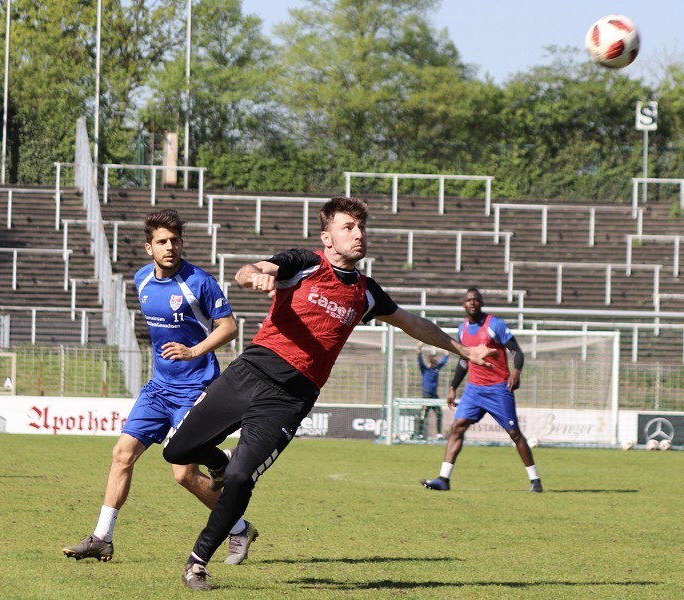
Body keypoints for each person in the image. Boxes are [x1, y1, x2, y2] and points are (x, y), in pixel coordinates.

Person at [163, 197, 496, 590]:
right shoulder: (304, 262)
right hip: (249, 373)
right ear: (328, 236)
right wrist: (255, 277)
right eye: (348, 227)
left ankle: (197, 563)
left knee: (240, 479)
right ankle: (217, 461)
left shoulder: (367, 293)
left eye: (361, 228)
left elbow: (412, 323)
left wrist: (466, 349)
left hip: (289, 401)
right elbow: (249, 270)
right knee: (177, 452)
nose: (358, 235)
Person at [62, 209, 257, 566]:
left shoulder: (199, 281)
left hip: (195, 389)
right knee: (122, 454)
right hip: (157, 389)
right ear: (148, 247)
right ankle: (102, 538)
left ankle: (239, 528)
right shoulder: (141, 280)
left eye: (175, 241)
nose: (170, 247)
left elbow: (229, 327)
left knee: (183, 474)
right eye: (162, 242)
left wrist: (194, 351)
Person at [421, 287, 543, 493]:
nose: (473, 302)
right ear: (463, 304)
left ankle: (535, 480)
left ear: (481, 302)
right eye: (469, 299)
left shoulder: (495, 324)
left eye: (476, 299)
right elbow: (463, 360)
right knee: (457, 427)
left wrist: (516, 372)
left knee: (514, 433)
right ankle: (444, 479)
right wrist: (453, 387)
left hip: (498, 388)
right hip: (474, 390)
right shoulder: (461, 330)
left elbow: (516, 351)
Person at [416, 343, 448, 440]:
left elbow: (445, 358)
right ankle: (420, 433)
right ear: (430, 361)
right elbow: (419, 358)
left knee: (439, 413)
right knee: (423, 415)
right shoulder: (425, 369)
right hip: (426, 396)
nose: (436, 363)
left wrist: (446, 348)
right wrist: (419, 347)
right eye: (434, 361)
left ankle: (438, 434)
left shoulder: (436, 369)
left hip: (434, 396)